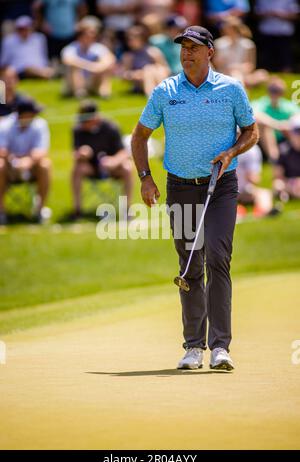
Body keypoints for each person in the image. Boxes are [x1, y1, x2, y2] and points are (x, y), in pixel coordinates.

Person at [131, 25, 258, 370]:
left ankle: (220, 347)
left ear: (209, 52)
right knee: (190, 265)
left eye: (194, 47)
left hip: (220, 187)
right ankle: (192, 347)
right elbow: (140, 136)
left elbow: (251, 131)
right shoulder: (165, 91)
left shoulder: (230, 89)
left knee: (218, 256)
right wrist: (145, 178)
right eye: (183, 48)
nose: (187, 53)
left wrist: (232, 151)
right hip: (181, 187)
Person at [72, 100, 133, 218]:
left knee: (127, 167)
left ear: (96, 118)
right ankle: (77, 210)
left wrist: (113, 161)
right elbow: (75, 154)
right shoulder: (78, 130)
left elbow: (124, 152)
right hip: (91, 166)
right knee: (77, 169)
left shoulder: (111, 127)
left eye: (86, 121)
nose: (83, 124)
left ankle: (126, 209)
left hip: (112, 167)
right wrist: (82, 154)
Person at [0, 97, 51, 225]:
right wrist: (14, 162)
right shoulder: (5, 124)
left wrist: (27, 162)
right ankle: (1, 211)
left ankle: (40, 209)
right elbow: (2, 149)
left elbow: (41, 150)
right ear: (22, 114)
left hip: (32, 166)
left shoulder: (40, 124)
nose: (34, 116)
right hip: (9, 167)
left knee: (45, 165)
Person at [61, 16, 116, 98]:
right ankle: (79, 92)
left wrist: (98, 67)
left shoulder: (98, 48)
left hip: (93, 79)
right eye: (90, 32)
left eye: (94, 33)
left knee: (104, 67)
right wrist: (91, 66)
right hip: (74, 82)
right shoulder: (71, 48)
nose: (93, 35)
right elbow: (68, 60)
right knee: (74, 67)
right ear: (81, 34)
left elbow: (110, 60)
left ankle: (102, 91)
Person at [213, 16, 268, 88]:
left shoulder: (248, 44)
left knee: (262, 74)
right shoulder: (219, 43)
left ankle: (236, 84)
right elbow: (216, 64)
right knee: (235, 75)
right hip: (223, 73)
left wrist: (237, 68)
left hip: (243, 73)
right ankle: (241, 88)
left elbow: (251, 66)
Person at [252, 77, 300, 161]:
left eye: (278, 90)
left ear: (282, 92)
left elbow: (297, 118)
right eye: (273, 90)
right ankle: (275, 159)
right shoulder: (261, 103)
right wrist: (276, 125)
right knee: (265, 127)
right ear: (268, 91)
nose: (275, 93)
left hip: (285, 138)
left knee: (294, 128)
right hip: (262, 142)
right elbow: (255, 116)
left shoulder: (288, 105)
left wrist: (286, 125)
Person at [121, 25, 170, 96]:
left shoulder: (153, 52)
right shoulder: (128, 56)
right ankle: (156, 95)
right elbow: (125, 75)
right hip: (140, 83)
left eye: (134, 37)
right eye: (129, 38)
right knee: (148, 69)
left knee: (151, 69)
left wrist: (151, 70)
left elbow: (166, 70)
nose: (130, 40)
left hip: (157, 78)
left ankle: (159, 94)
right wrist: (138, 73)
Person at [255, 0, 299, 72]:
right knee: (267, 59)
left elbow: (295, 15)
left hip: (284, 33)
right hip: (266, 33)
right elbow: (256, 13)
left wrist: (280, 14)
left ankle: (285, 74)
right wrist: (267, 14)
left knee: (285, 58)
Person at [236, 144, 278, 219]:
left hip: (232, 190)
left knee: (262, 193)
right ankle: (265, 210)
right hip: (235, 190)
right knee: (264, 193)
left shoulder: (224, 146)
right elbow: (253, 178)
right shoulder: (252, 149)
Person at [273, 115, 300, 200]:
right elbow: (278, 176)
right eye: (297, 131)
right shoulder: (284, 150)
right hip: (289, 182)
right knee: (278, 185)